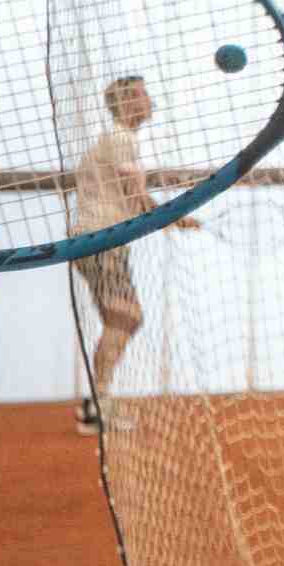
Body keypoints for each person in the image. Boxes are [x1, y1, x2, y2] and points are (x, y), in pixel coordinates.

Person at [68, 74, 195, 432]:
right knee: (127, 315)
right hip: (100, 240)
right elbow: (134, 195)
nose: (150, 101)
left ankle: (96, 402)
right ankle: (97, 402)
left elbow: (133, 197)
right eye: (143, 94)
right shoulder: (121, 138)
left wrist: (172, 218)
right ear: (127, 102)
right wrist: (173, 217)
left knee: (121, 318)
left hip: (99, 241)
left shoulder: (117, 139)